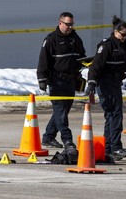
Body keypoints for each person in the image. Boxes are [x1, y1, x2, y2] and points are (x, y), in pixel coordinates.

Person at [37, 12, 86, 158]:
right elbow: (43, 60)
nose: (70, 27)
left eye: (72, 24)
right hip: (56, 81)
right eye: (67, 24)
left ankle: (48, 137)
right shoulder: (51, 40)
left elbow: (81, 56)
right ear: (60, 23)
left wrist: (84, 67)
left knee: (63, 110)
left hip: (71, 80)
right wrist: (42, 78)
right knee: (60, 111)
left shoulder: (75, 39)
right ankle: (67, 140)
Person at [86, 15, 126, 161]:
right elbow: (95, 66)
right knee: (115, 113)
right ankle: (115, 147)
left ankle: (108, 148)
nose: (125, 37)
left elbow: (123, 66)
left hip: (115, 83)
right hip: (104, 83)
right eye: (123, 34)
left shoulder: (125, 47)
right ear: (115, 32)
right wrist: (91, 83)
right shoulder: (105, 46)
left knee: (112, 115)